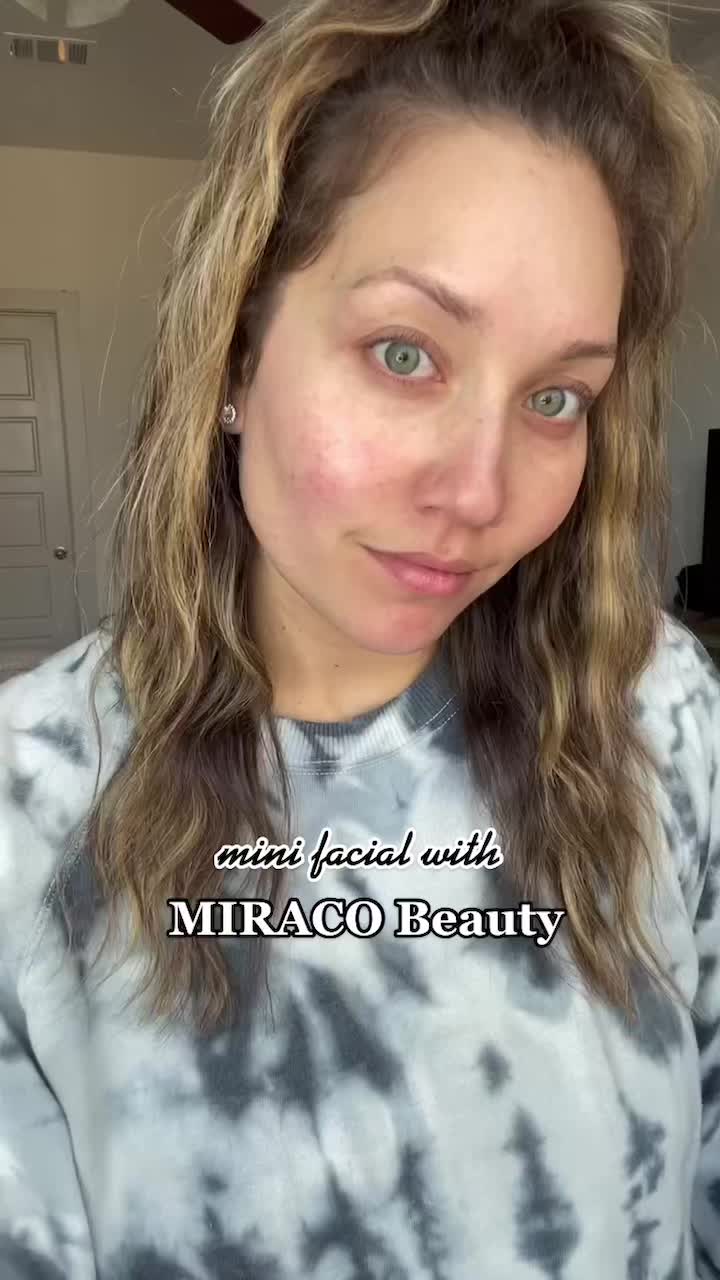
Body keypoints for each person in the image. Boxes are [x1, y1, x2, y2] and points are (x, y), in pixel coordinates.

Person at [1, 0, 720, 1275]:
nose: (481, 491)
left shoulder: (659, 710)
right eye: (405, 352)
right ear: (235, 354)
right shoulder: (27, 806)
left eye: (558, 397)